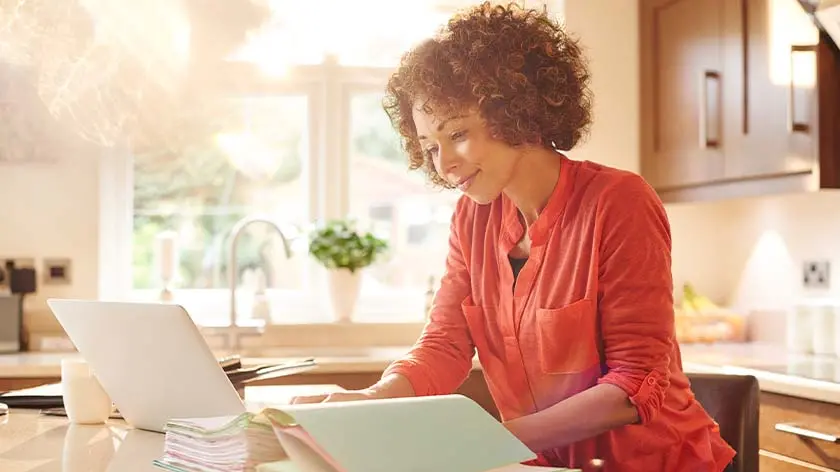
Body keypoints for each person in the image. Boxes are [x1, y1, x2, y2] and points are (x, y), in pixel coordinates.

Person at [292, 2, 737, 470]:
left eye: (458, 133)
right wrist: (371, 398)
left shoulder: (618, 202)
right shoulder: (471, 219)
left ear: (515, 110)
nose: (443, 165)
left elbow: (633, 385)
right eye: (429, 147)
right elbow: (445, 346)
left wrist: (484, 440)